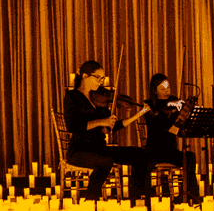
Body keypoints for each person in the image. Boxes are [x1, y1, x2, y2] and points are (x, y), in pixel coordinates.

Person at [63, 60, 150, 202]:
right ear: (85, 76)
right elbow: (73, 126)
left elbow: (112, 126)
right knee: (105, 162)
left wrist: (137, 115)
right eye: (98, 77)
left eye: (102, 78)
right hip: (79, 150)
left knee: (140, 154)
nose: (101, 82)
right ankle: (90, 201)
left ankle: (138, 198)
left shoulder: (100, 99)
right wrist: (101, 121)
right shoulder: (72, 97)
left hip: (99, 148)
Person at [144, 73, 201, 201]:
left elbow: (180, 123)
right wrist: (172, 110)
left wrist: (187, 109)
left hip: (170, 150)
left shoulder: (175, 101)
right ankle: (147, 198)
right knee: (144, 162)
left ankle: (189, 193)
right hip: (154, 150)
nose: (167, 91)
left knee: (190, 157)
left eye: (168, 87)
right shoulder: (148, 105)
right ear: (154, 90)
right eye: (162, 89)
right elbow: (159, 121)